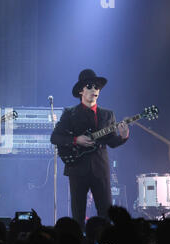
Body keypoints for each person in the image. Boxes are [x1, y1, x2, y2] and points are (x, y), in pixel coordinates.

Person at [50, 69, 129, 231]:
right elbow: (55, 137)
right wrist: (75, 139)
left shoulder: (108, 115)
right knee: (78, 214)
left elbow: (112, 142)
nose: (95, 90)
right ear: (81, 91)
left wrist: (123, 136)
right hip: (77, 167)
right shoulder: (70, 113)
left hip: (100, 168)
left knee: (106, 213)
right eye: (90, 86)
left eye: (97, 87)